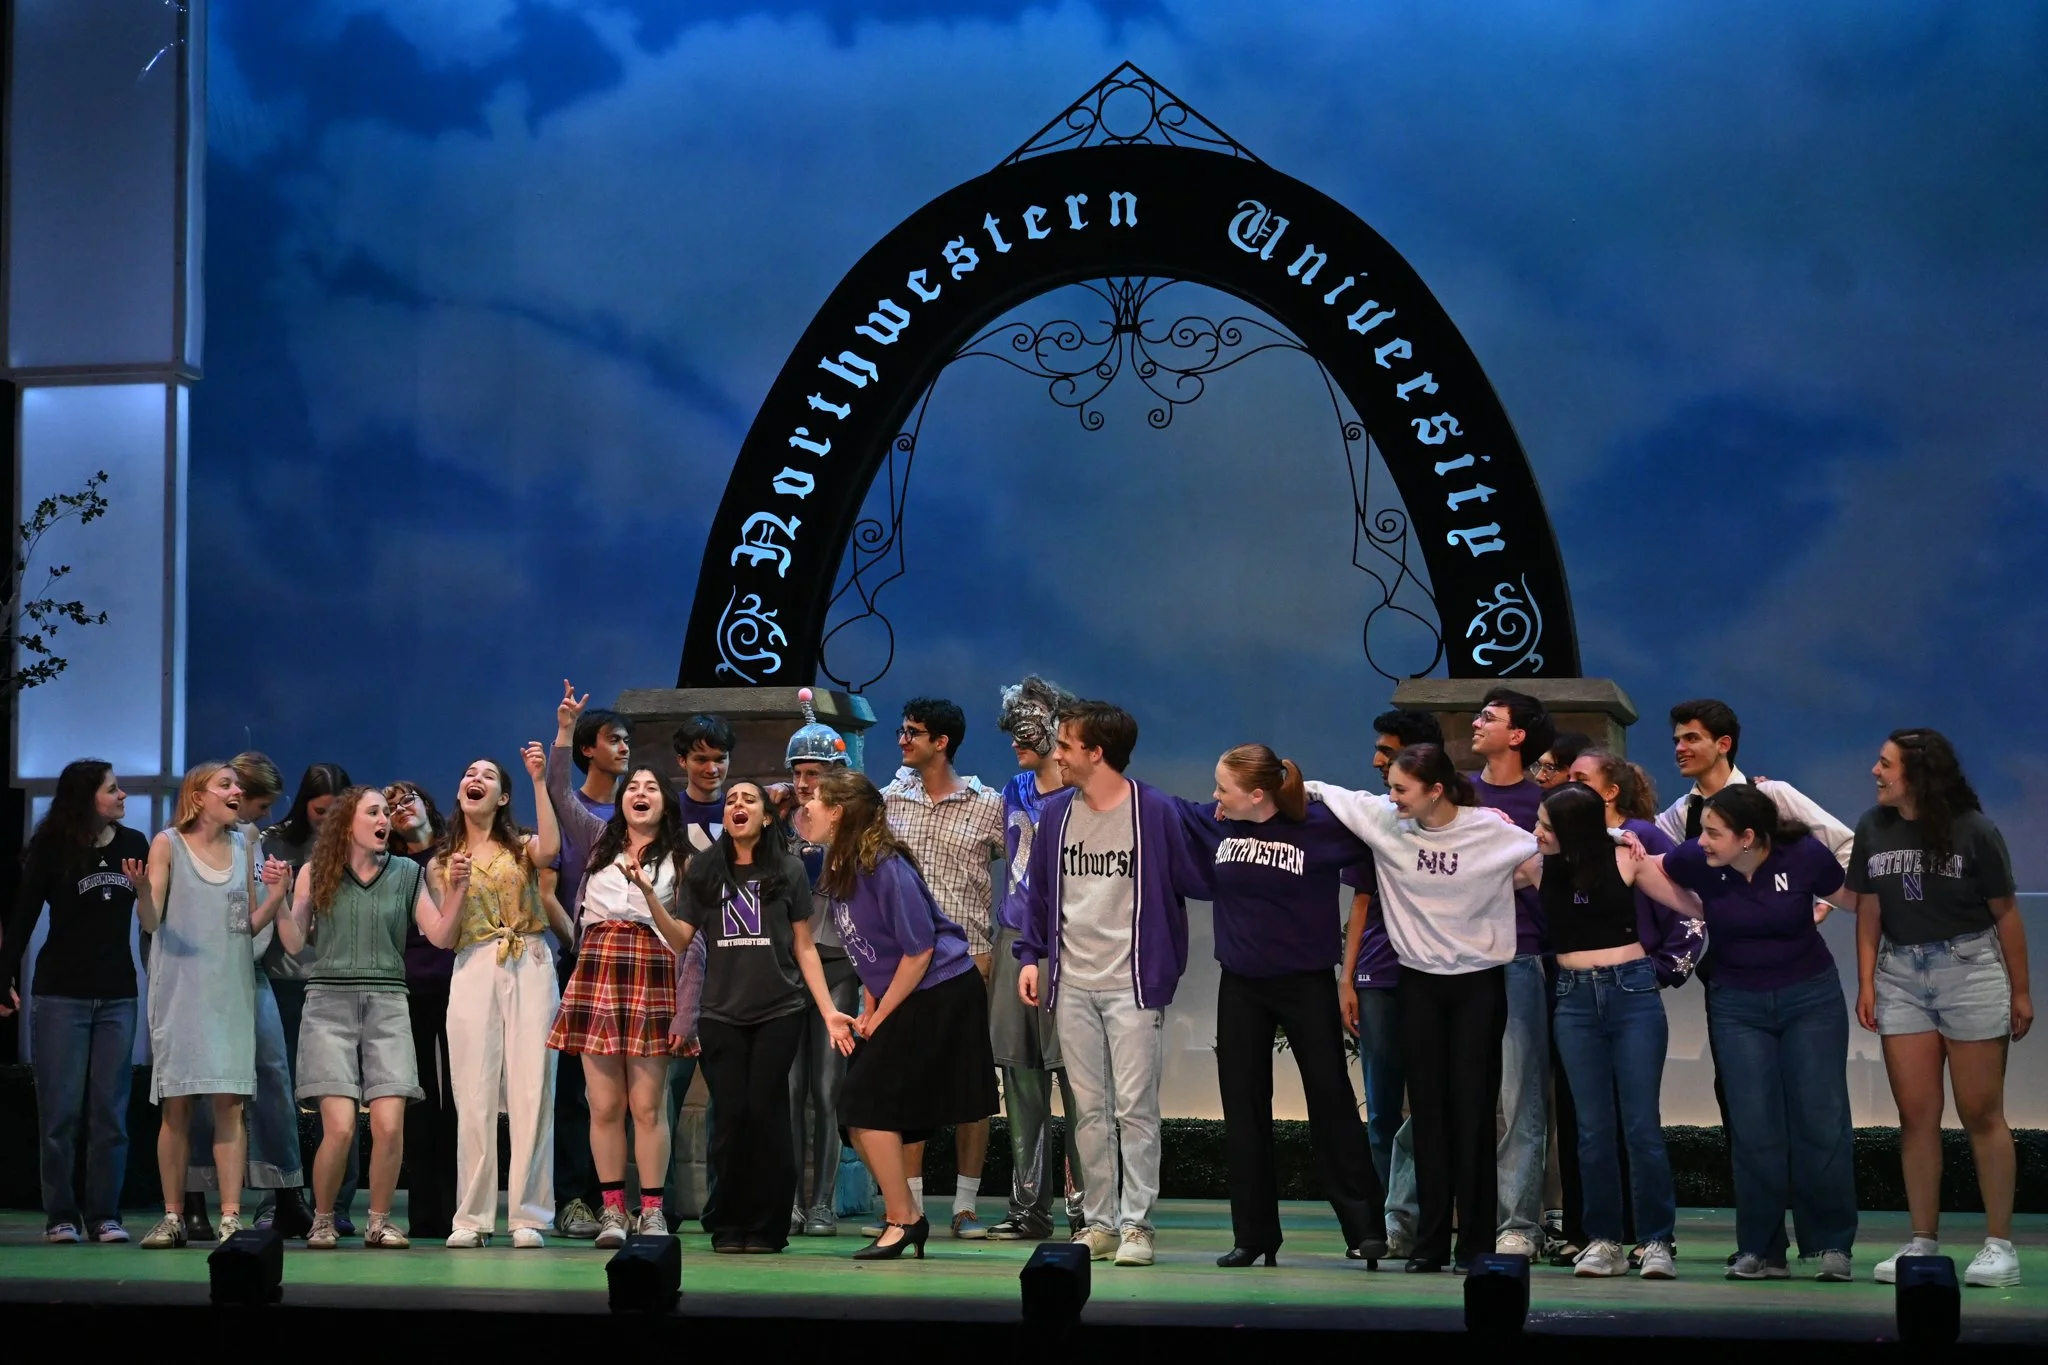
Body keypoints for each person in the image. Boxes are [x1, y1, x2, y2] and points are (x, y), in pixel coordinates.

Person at [1306, 744, 1540, 1273]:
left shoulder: (1490, 829)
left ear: (1436, 790)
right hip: (1418, 986)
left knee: (1474, 1113)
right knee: (1428, 1115)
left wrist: (1619, 840)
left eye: (1401, 789)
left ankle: (1477, 1243)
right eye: (1389, 786)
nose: (1391, 797)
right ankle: (1431, 1242)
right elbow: (1329, 792)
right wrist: (1290, 786)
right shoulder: (1388, 821)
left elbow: (1548, 851)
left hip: (1479, 986)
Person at [1653, 698, 1854, 1266]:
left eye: (1691, 737)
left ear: (1724, 743)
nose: (1680, 748)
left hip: (1805, 986)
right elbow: (1658, 864)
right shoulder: (1680, 816)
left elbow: (1843, 853)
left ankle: (1829, 1244)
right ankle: (1761, 1247)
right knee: (1752, 1123)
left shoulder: (1775, 798)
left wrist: (1820, 904)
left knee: (1819, 1116)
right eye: (1676, 738)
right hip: (1734, 990)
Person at [1015, 700, 1208, 1269]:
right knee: (1089, 1112)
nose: (1059, 755)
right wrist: (1032, 954)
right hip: (1072, 981)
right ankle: (1098, 1222)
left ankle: (1137, 1226)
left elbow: (1202, 871)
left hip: (1132, 984)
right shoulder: (1055, 816)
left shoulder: (1156, 812)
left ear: (1096, 753)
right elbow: (1038, 894)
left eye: (1068, 745)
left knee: (1136, 1109)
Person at [1189, 745, 1389, 1267]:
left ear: (1258, 794)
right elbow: (1166, 813)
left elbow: (1382, 835)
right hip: (1240, 985)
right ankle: (1253, 1235)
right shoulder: (1220, 826)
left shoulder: (1320, 827)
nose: (1214, 796)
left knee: (1331, 1100)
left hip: (1306, 984)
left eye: (1223, 789)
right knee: (1243, 1105)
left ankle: (1366, 1228)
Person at [1851, 730, 2031, 1289]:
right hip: (1900, 975)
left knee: (1981, 1113)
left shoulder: (1974, 830)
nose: (1875, 772)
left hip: (1970, 969)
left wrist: (2021, 991)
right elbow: (1869, 913)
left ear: (1919, 773)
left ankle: (1999, 1246)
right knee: (1916, 1117)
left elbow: (2005, 915)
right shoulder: (1872, 827)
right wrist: (1867, 983)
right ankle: (1922, 1240)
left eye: (1885, 764)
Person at [807, 769, 998, 1261]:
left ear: (840, 812)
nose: (807, 808)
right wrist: (870, 1009)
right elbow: (874, 954)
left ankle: (905, 1218)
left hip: (939, 993)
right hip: (905, 994)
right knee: (858, 1110)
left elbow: (918, 950)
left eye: (817, 800)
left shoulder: (883, 866)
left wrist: (882, 1013)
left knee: (864, 1106)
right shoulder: (845, 865)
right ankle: (902, 1215)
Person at [546, 684, 701, 1249]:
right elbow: (560, 793)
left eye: (650, 787)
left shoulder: (684, 860)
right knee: (603, 1104)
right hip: (599, 969)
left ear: (665, 802)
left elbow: (689, 940)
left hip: (653, 971)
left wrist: (646, 890)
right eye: (633, 787)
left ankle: (652, 1210)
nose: (639, 791)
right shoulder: (597, 842)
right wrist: (566, 731)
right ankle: (613, 1210)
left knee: (646, 1104)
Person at [277, 786, 448, 1249]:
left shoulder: (408, 873)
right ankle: (324, 1217)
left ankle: (378, 1221)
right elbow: (295, 944)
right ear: (347, 822)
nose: (384, 820)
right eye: (373, 812)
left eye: (385, 814)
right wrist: (276, 898)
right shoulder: (318, 872)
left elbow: (442, 935)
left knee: (391, 1124)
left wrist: (461, 891)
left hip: (389, 1002)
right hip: (329, 1003)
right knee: (341, 1126)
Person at [1535, 783, 1693, 1280]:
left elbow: (1691, 906)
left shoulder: (1627, 858)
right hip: (1572, 999)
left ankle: (1655, 1240)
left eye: (1545, 825)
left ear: (1571, 829)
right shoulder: (1535, 863)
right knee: (1591, 1130)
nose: (1536, 832)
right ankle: (1603, 1240)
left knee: (1641, 1125)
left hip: (1632, 994)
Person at [671, 780, 837, 1253]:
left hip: (778, 1011)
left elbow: (804, 947)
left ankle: (767, 1227)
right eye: (730, 801)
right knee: (731, 1117)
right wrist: (648, 896)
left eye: (748, 799)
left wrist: (827, 1011)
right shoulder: (704, 869)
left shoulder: (787, 869)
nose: (736, 805)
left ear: (766, 817)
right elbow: (681, 940)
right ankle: (728, 1224)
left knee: (765, 1113)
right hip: (720, 1013)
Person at [132, 763, 292, 1248]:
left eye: (236, 785)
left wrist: (278, 895)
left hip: (230, 990)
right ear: (198, 796)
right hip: (180, 992)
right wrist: (141, 892)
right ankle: (174, 1216)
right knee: (177, 1106)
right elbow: (153, 920)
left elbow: (243, 924)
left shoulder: (244, 844)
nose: (236, 790)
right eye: (225, 784)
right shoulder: (168, 844)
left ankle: (229, 1218)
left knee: (230, 1105)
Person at [422, 745, 567, 1248]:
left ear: (501, 796)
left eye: (487, 775)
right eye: (468, 772)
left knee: (532, 1089)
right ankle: (472, 1217)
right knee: (474, 1092)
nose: (474, 778)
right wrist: (457, 888)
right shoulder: (443, 861)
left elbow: (551, 850)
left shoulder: (522, 845)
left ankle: (527, 1215)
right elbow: (443, 934)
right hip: (474, 961)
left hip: (527, 957)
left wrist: (538, 780)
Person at [1, 761, 149, 1244]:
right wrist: (3, 976)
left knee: (111, 1113)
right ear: (88, 798)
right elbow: (22, 916)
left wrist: (145, 888)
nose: (123, 794)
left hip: (117, 997)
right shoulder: (53, 848)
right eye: (113, 789)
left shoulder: (135, 845)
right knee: (60, 1112)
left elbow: (153, 918)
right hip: (60, 994)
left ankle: (106, 1214)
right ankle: (60, 1215)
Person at [880, 697, 1005, 1238]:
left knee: (972, 1087)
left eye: (913, 732)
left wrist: (999, 945)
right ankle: (908, 1210)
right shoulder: (888, 800)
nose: (903, 739)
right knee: (908, 1085)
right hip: (906, 964)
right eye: (903, 730)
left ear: (942, 742)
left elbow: (1026, 866)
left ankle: (966, 1205)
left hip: (968, 962)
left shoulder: (987, 804)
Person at [184, 752, 310, 1241]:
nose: (261, 814)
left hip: (249, 974)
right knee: (198, 1086)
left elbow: (252, 914)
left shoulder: (250, 842)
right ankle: (194, 1197)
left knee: (273, 1074)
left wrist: (281, 896)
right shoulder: (178, 845)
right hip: (201, 979)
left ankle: (286, 1193)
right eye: (258, 804)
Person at [985, 676, 1085, 1242]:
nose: (1018, 738)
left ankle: (1084, 1207)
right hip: (1012, 935)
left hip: (1066, 944)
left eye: (1031, 723)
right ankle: (1029, 1208)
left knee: (1073, 1076)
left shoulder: (1083, 795)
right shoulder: (1015, 789)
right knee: (1019, 1076)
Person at [1340, 709, 1442, 1258]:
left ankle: (1433, 1215)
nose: (1377, 759)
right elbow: (1360, 901)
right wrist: (1348, 978)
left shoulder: (1461, 817)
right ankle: (1389, 1225)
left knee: (1435, 1103)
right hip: (1378, 977)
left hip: (1437, 977)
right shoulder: (1376, 819)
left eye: (1388, 750)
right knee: (1381, 1109)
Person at [1466, 687, 1556, 1258]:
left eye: (1489, 717)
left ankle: (1519, 1222)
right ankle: (1409, 1216)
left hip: (1523, 956)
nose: (1477, 723)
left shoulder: (1542, 800)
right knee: (1438, 1093)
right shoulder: (1457, 795)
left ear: (1517, 735)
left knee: (1521, 1097)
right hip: (1456, 960)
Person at [549, 702, 633, 1243]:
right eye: (614, 739)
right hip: (579, 960)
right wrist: (582, 944)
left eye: (627, 740)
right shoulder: (572, 813)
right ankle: (572, 1199)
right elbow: (546, 893)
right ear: (587, 749)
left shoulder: (635, 812)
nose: (624, 748)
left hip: (634, 965)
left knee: (631, 1092)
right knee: (578, 1089)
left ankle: (625, 1202)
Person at [259, 761, 354, 1236]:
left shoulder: (359, 842)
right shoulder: (273, 840)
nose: (327, 820)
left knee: (338, 1095)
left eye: (337, 810)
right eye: (320, 811)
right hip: (284, 980)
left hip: (338, 981)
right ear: (304, 805)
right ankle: (280, 1195)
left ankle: (337, 1201)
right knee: (280, 1093)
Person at [783, 689, 862, 1236]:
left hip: (836, 965)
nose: (806, 781)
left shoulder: (855, 832)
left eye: (816, 771)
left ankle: (823, 1202)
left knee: (828, 1088)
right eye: (800, 772)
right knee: (789, 1088)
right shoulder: (777, 827)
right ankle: (787, 1198)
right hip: (788, 970)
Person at [387, 780, 460, 1241]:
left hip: (457, 986)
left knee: (457, 1097)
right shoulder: (391, 866)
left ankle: (457, 1210)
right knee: (418, 1101)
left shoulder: (456, 855)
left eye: (407, 798)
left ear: (427, 804)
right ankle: (423, 1212)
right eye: (390, 805)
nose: (399, 808)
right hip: (406, 988)